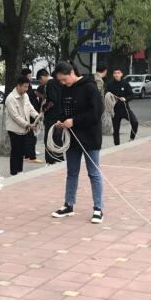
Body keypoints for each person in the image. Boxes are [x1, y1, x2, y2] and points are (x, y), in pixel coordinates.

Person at [51, 62, 104, 224]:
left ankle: (98, 208)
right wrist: (61, 121)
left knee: (93, 173)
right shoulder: (64, 89)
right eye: (60, 80)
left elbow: (96, 111)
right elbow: (63, 110)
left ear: (72, 72)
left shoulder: (89, 87)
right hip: (72, 137)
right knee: (72, 172)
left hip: (89, 137)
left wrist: (75, 121)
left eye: (64, 79)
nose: (63, 83)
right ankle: (69, 204)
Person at [5, 76, 39, 175]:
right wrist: (28, 124)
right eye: (25, 87)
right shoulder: (10, 98)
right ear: (18, 86)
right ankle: (14, 173)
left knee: (21, 151)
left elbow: (30, 109)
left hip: (24, 128)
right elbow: (15, 116)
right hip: (14, 129)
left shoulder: (26, 96)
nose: (26, 89)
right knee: (16, 151)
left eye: (27, 87)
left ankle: (19, 171)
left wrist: (37, 116)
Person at [106, 67, 138, 144]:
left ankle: (132, 138)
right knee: (116, 130)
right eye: (115, 73)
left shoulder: (125, 83)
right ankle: (117, 145)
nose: (116, 75)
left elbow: (131, 95)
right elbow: (106, 96)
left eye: (118, 73)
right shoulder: (109, 84)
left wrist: (125, 98)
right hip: (115, 110)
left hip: (125, 109)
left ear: (121, 74)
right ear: (113, 75)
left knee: (135, 122)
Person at [22, 68, 43, 163]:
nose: (31, 78)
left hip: (31, 115)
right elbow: (30, 106)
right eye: (29, 76)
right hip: (29, 117)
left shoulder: (28, 87)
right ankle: (31, 156)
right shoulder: (27, 90)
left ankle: (27, 155)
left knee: (29, 136)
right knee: (31, 136)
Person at [43, 71, 63, 164]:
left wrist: (44, 108)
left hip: (51, 116)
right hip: (61, 116)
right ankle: (59, 158)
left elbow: (52, 100)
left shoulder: (50, 83)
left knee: (49, 138)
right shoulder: (63, 83)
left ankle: (50, 160)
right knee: (58, 138)